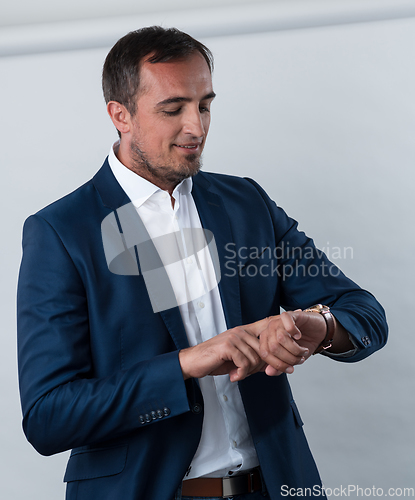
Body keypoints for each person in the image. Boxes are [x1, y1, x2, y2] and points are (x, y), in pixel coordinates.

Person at [17, 26, 387, 500]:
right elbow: (49, 417)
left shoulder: (246, 202)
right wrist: (188, 364)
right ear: (120, 115)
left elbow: (364, 312)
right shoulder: (61, 232)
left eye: (205, 105)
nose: (197, 126)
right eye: (173, 109)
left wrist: (317, 327)